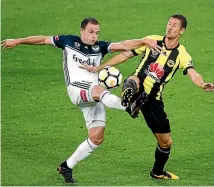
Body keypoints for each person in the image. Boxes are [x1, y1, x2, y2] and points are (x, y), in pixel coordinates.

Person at [1, 17, 162, 183]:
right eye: (91, 32)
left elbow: (123, 45)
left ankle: (66, 166)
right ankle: (128, 106)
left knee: (96, 138)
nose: (94, 36)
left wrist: (144, 41)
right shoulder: (68, 41)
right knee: (99, 90)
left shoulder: (100, 47)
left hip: (93, 96)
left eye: (97, 33)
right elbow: (42, 39)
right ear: (82, 31)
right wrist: (18, 41)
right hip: (77, 89)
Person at [80, 15, 214, 180]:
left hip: (153, 101)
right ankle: (129, 97)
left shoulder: (181, 55)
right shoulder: (152, 41)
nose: (170, 27)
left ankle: (157, 171)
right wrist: (99, 68)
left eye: (174, 26)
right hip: (137, 84)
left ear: (182, 31)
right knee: (134, 80)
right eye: (169, 23)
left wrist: (202, 84)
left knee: (166, 142)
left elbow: (192, 73)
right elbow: (125, 55)